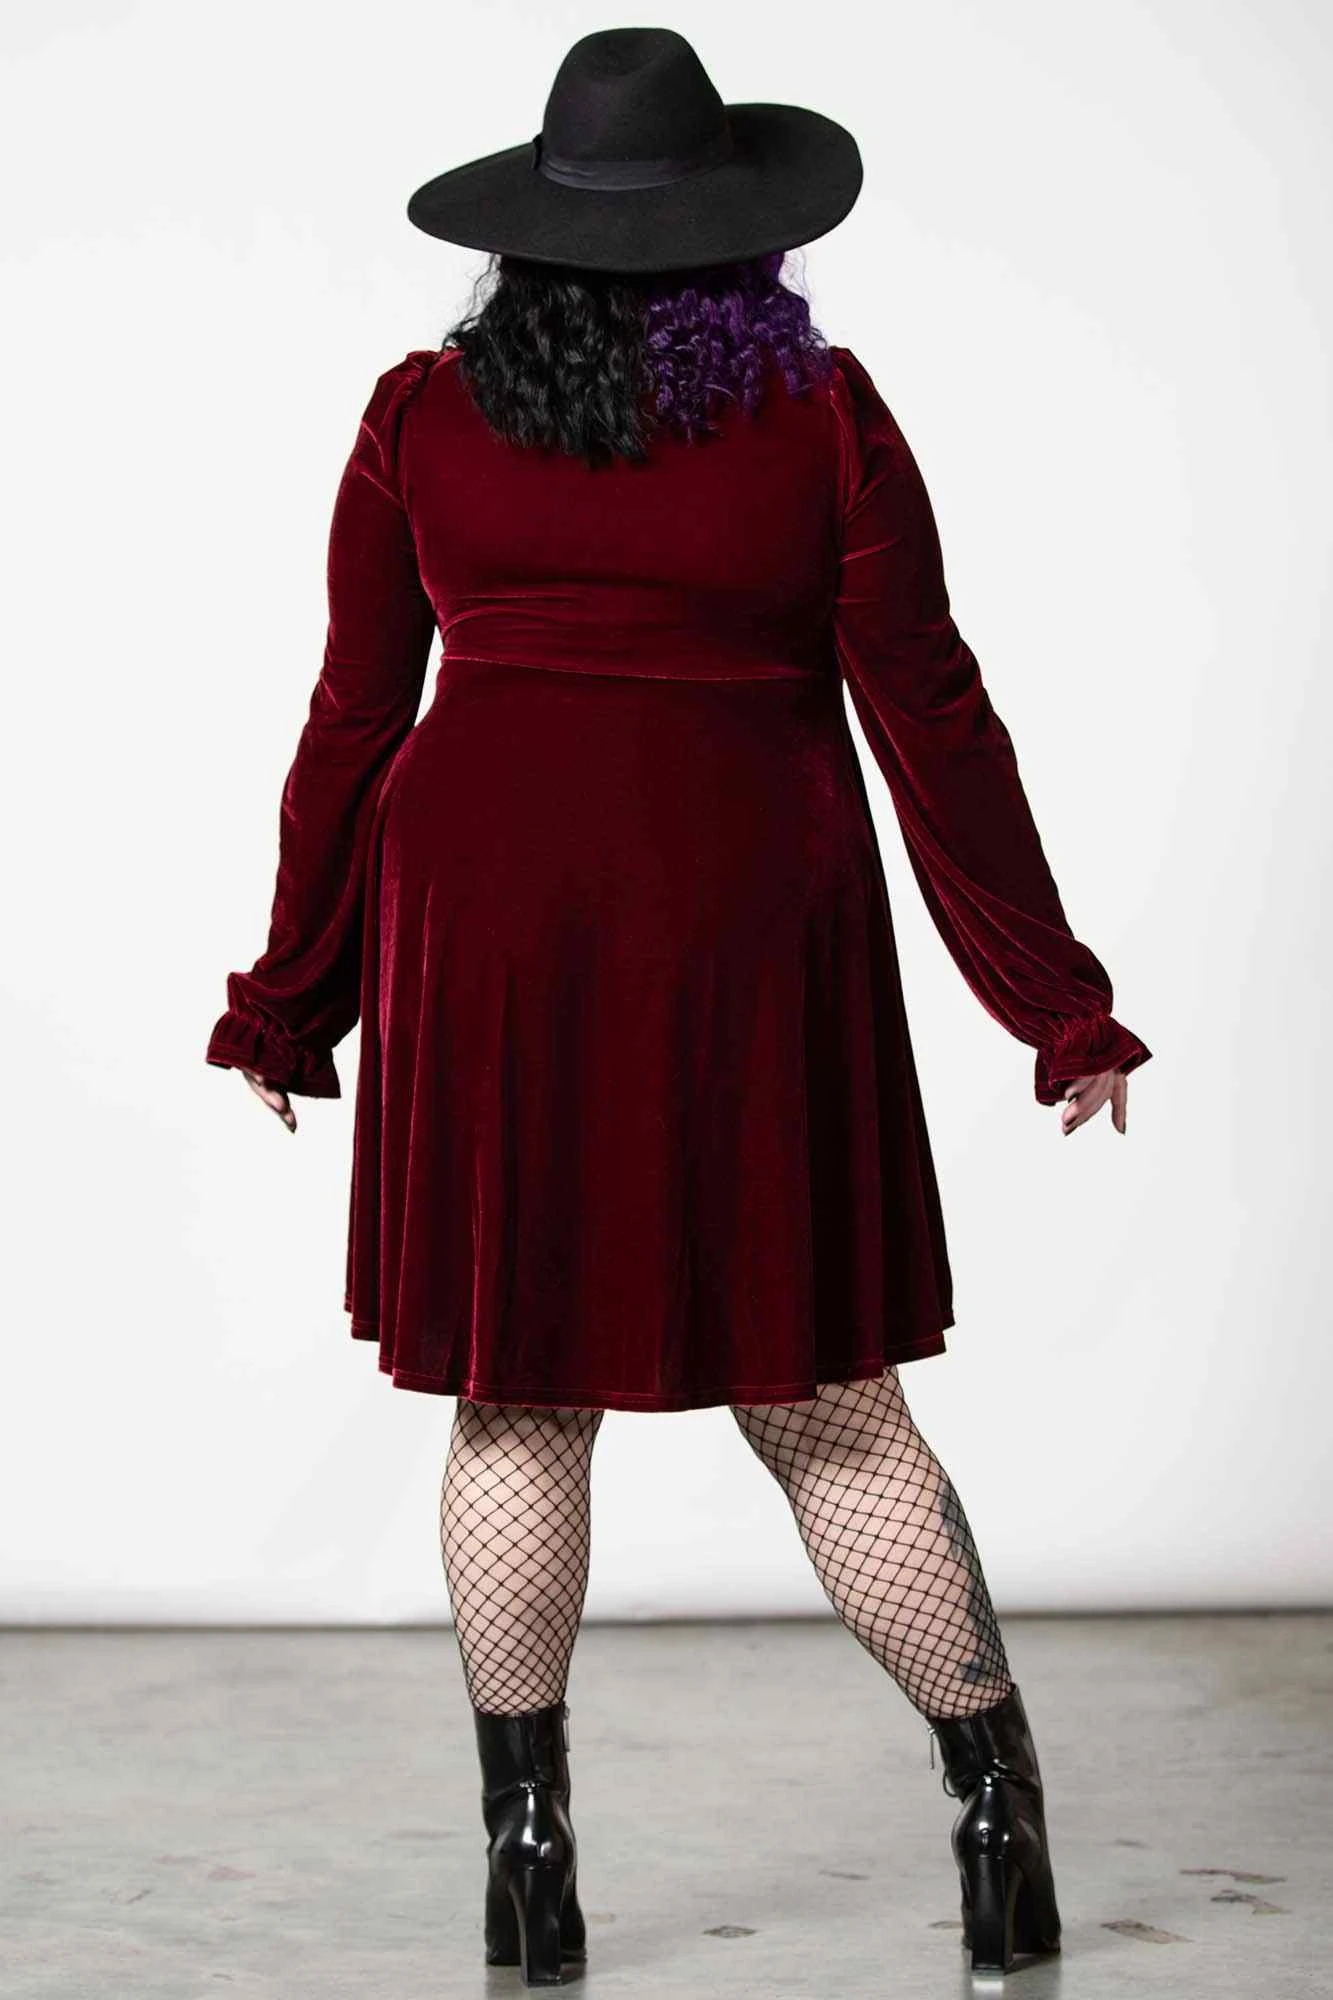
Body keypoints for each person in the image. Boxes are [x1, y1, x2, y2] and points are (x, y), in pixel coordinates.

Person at [205, 26, 1152, 1986]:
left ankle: (528, 1857)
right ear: (744, 237)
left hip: (494, 927)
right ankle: (995, 1811)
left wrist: (294, 996)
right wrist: (1055, 1002)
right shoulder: (822, 414)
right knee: (829, 1401)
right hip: (744, 914)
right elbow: (935, 714)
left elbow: (354, 721)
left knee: (517, 1397)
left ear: (529, 237)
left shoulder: (421, 415)